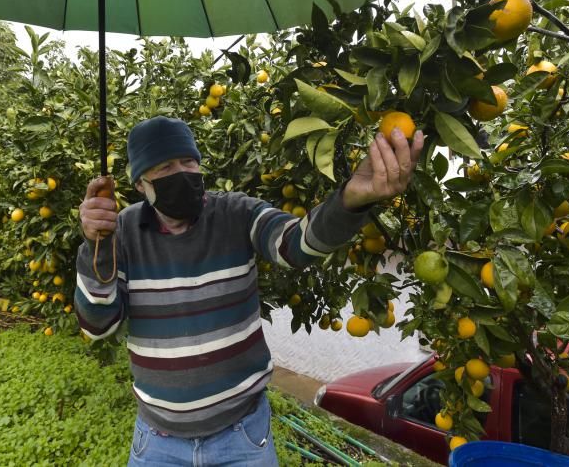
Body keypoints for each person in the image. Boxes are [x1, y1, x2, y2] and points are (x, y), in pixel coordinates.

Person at [75, 116, 424, 466]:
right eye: (165, 166)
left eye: (189, 161)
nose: (182, 172)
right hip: (158, 443)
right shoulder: (122, 233)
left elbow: (296, 244)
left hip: (240, 438)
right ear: (141, 183)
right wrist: (96, 245)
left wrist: (349, 201)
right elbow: (98, 326)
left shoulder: (236, 213)